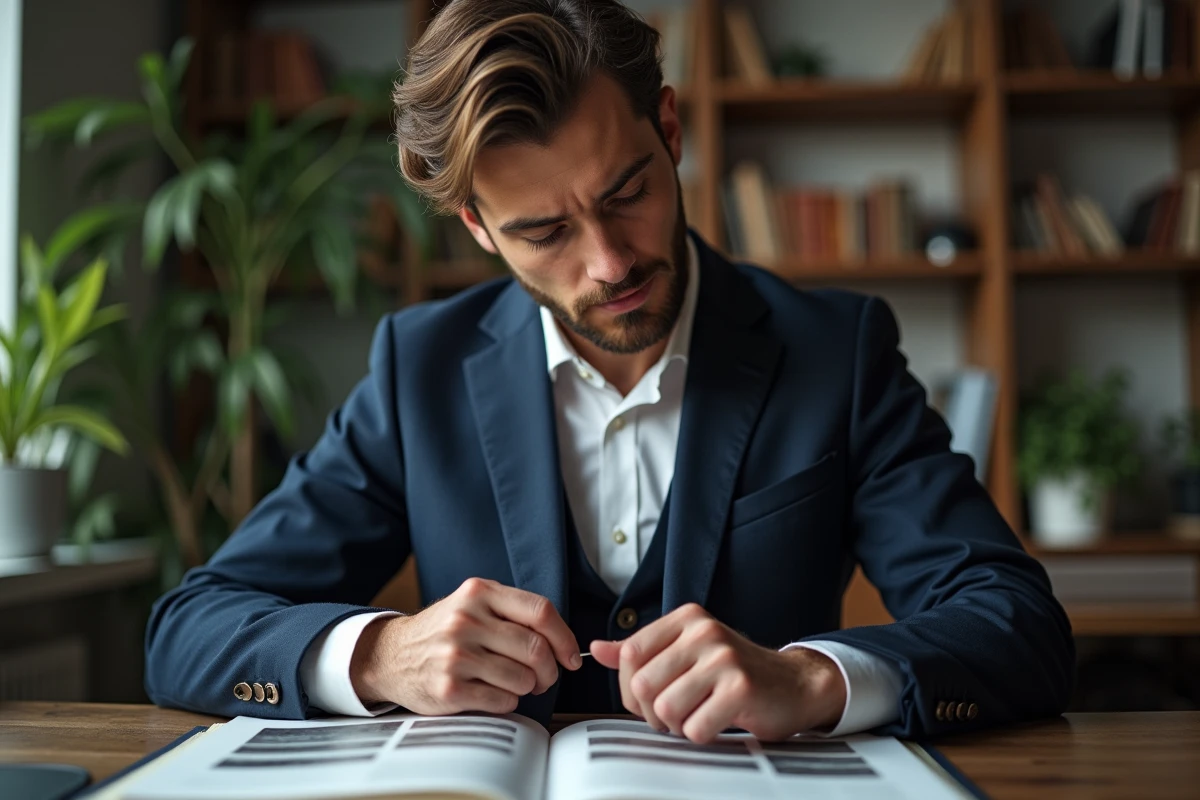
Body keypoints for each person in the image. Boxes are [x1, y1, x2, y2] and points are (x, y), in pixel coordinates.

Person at [144, 0, 1074, 744]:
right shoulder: (417, 370)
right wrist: (380, 655)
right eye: (544, 231)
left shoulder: (837, 351)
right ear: (478, 228)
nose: (609, 262)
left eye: (626, 192)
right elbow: (190, 627)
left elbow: (1019, 626)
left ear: (668, 129)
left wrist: (811, 678)